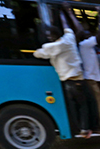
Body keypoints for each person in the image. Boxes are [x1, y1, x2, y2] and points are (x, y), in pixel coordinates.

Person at [34, 10, 91, 138]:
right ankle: (85, 129)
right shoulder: (69, 39)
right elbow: (67, 28)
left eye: (50, 35)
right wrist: (62, 13)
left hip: (67, 82)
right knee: (83, 106)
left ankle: (76, 129)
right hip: (78, 80)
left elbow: (38, 53)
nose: (49, 37)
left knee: (73, 107)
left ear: (53, 35)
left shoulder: (52, 47)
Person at [66, 7, 100, 133]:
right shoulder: (85, 44)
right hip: (91, 79)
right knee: (99, 104)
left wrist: (70, 12)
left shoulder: (81, 46)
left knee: (95, 103)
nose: (91, 35)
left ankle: (98, 125)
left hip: (89, 78)